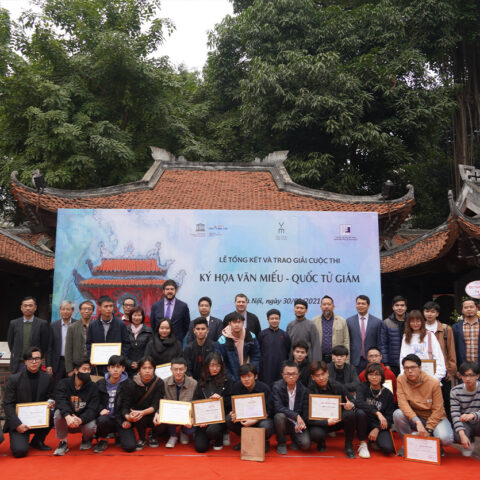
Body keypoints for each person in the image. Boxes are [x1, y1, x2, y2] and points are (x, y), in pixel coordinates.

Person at [393, 354, 453, 455]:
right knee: (397, 414)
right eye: (406, 368)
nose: (410, 371)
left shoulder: (433, 383)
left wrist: (428, 430)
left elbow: (438, 409)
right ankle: (407, 444)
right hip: (416, 417)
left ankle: (434, 443)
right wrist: (417, 421)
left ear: (420, 368)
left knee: (446, 439)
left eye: (413, 367)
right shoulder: (401, 379)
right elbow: (402, 403)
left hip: (435, 418)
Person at [3, 347, 54, 457]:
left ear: (41, 361)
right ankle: (20, 438)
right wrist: (17, 424)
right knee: (20, 451)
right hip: (19, 422)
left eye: (37, 358)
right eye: (30, 359)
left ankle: (37, 441)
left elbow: (50, 397)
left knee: (54, 412)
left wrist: (51, 403)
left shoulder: (47, 378)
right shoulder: (14, 379)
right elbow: (7, 404)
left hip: (38, 419)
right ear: (25, 361)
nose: (34, 362)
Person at [303, 361, 357, 458]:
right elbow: (306, 417)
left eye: (323, 374)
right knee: (316, 434)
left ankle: (348, 445)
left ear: (327, 373)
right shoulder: (308, 391)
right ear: (313, 377)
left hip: (336, 420)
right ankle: (321, 442)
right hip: (320, 423)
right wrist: (326, 422)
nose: (321, 378)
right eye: (317, 376)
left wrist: (350, 404)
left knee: (350, 414)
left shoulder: (337, 385)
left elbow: (352, 400)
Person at [53, 356, 99, 455]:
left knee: (92, 426)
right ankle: (63, 442)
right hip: (68, 420)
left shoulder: (93, 387)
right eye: (84, 369)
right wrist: (67, 416)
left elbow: (93, 409)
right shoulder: (63, 383)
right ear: (76, 371)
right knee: (58, 413)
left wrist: (81, 419)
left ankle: (86, 439)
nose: (87, 372)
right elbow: (61, 401)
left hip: (83, 421)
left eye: (89, 369)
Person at [117, 356, 165, 450]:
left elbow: (156, 404)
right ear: (139, 370)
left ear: (154, 369)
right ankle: (142, 438)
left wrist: (143, 412)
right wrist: (128, 417)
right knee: (137, 414)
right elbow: (126, 405)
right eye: (144, 368)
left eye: (150, 368)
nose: (147, 371)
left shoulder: (159, 382)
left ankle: (154, 436)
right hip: (137, 415)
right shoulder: (131, 383)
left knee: (162, 415)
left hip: (153, 413)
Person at [227, 363, 274, 452]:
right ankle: (246, 440)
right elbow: (234, 406)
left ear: (255, 376)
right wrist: (233, 413)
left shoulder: (264, 388)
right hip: (244, 419)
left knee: (266, 425)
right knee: (229, 419)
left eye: (249, 376)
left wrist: (255, 420)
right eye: (243, 377)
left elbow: (270, 410)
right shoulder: (237, 387)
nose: (246, 379)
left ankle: (264, 441)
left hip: (260, 419)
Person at [94, 355, 135, 453]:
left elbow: (129, 404)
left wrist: (128, 420)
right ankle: (103, 439)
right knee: (102, 420)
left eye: (118, 367)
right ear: (108, 368)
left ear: (123, 368)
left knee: (130, 447)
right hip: (106, 418)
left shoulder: (129, 384)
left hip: (121, 418)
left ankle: (118, 434)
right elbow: (95, 401)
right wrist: (100, 409)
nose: (115, 370)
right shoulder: (100, 383)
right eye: (112, 367)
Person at [193, 352, 233, 452]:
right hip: (204, 420)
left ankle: (219, 437)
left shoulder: (227, 381)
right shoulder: (201, 382)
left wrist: (221, 399)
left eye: (218, 366)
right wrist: (200, 419)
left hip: (220, 419)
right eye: (212, 365)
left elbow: (232, 402)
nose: (215, 368)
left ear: (221, 366)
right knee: (200, 448)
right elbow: (195, 401)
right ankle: (208, 437)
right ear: (207, 366)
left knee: (212, 430)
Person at [153, 357, 197, 448]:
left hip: (187, 415)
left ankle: (184, 431)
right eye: (175, 369)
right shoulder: (164, 382)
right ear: (171, 369)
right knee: (159, 421)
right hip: (171, 413)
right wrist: (158, 412)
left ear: (185, 369)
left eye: (181, 369)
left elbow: (195, 402)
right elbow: (161, 400)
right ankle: (173, 435)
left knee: (190, 430)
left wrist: (192, 418)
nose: (178, 372)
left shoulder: (194, 383)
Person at [423, 301, 457, 416]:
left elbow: (451, 350)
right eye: (427, 311)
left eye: (432, 312)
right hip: (425, 370)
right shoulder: (420, 328)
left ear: (437, 314)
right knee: (427, 399)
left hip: (443, 370)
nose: (429, 314)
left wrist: (451, 370)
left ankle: (447, 421)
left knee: (445, 399)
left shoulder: (445, 329)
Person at [355, 363, 396, 456]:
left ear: (382, 377)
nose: (374, 377)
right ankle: (363, 443)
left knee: (387, 449)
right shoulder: (362, 387)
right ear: (367, 376)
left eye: (377, 374)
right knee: (360, 412)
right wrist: (377, 413)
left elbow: (389, 417)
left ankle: (373, 440)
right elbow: (359, 403)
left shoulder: (388, 394)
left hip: (379, 424)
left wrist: (377, 429)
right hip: (364, 421)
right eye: (371, 374)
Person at [272, 361, 311, 454]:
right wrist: (296, 416)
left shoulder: (304, 390)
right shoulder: (276, 387)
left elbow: (306, 410)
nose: (290, 377)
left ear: (298, 375)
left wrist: (301, 423)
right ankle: (281, 442)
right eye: (287, 374)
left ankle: (294, 438)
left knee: (306, 445)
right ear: (283, 375)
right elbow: (278, 407)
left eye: (293, 374)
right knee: (279, 416)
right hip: (284, 420)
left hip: (297, 422)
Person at [86, 296, 131, 375]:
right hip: (98, 365)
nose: (109, 309)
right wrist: (92, 358)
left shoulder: (120, 324)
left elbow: (126, 344)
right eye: (106, 306)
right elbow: (89, 344)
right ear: (99, 308)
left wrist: (120, 358)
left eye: (111, 306)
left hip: (116, 366)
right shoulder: (93, 325)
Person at [399, 310, 446, 383]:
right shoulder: (406, 337)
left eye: (418, 321)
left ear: (422, 322)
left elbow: (439, 357)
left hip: (429, 376)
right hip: (411, 377)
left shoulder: (430, 335)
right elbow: (403, 357)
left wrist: (437, 377)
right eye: (412, 321)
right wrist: (404, 374)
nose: (415, 324)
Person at [7, 296, 49, 373]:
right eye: (25, 306)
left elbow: (44, 345)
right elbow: (11, 343)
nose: (28, 308)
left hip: (34, 362)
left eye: (30, 305)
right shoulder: (13, 323)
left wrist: (37, 358)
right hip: (18, 362)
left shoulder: (42, 324)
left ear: (35, 308)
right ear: (21, 308)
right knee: (17, 380)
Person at [215, 312, 261, 382]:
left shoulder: (251, 336)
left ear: (243, 323)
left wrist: (252, 372)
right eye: (234, 322)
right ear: (229, 323)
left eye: (239, 322)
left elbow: (256, 356)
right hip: (230, 377)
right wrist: (230, 377)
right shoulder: (222, 341)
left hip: (248, 375)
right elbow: (220, 362)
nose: (237, 324)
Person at [346, 295, 383, 374]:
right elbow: (347, 340)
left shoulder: (377, 322)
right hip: (355, 360)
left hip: (372, 360)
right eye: (358, 303)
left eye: (363, 304)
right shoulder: (349, 321)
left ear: (368, 306)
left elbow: (380, 342)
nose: (360, 305)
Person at [450, 361, 480, 456]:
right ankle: (469, 441)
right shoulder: (455, 391)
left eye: (471, 375)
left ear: (477, 376)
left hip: (478, 420)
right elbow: (455, 414)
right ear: (461, 376)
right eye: (465, 375)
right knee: (456, 435)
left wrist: (473, 415)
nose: (467, 379)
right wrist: (462, 435)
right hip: (465, 423)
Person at [47, 300, 77, 388]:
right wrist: (49, 365)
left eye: (68, 309)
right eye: (63, 309)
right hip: (58, 363)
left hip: (72, 363)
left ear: (72, 311)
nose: (65, 311)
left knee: (72, 387)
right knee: (57, 387)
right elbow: (49, 347)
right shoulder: (53, 325)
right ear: (60, 310)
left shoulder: (77, 325)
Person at [312, 295, 349, 364]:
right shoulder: (314, 321)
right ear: (321, 307)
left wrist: (346, 360)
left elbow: (346, 341)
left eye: (329, 304)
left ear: (333, 307)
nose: (326, 306)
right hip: (319, 358)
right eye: (324, 304)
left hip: (337, 358)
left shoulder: (342, 321)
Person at [258, 309, 291, 385]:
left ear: (279, 320)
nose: (274, 321)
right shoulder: (262, 334)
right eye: (272, 319)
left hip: (281, 366)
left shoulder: (285, 335)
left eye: (276, 318)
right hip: (266, 366)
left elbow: (288, 351)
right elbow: (259, 351)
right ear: (268, 320)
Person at [379, 295, 408, 376]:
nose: (399, 308)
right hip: (393, 364)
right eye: (397, 305)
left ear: (406, 307)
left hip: (409, 361)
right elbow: (383, 344)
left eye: (402, 305)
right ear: (393, 307)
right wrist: (386, 363)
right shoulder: (386, 323)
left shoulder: (411, 321)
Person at [65, 300, 94, 375]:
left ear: (93, 311)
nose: (86, 311)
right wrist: (69, 369)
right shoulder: (72, 327)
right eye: (84, 309)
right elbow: (68, 349)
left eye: (89, 309)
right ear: (80, 310)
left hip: (93, 364)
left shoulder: (97, 326)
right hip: (77, 364)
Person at [452, 298, 480, 370]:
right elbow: (453, 349)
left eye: (471, 307)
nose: (469, 309)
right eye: (466, 307)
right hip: (463, 368)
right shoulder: (456, 327)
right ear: (462, 310)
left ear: (477, 309)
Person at [125, 306, 153, 376]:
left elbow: (149, 350)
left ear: (142, 317)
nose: (137, 318)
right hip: (127, 366)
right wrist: (129, 363)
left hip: (143, 366)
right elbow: (123, 349)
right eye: (135, 315)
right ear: (131, 316)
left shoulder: (149, 331)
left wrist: (139, 363)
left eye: (139, 315)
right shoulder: (125, 330)